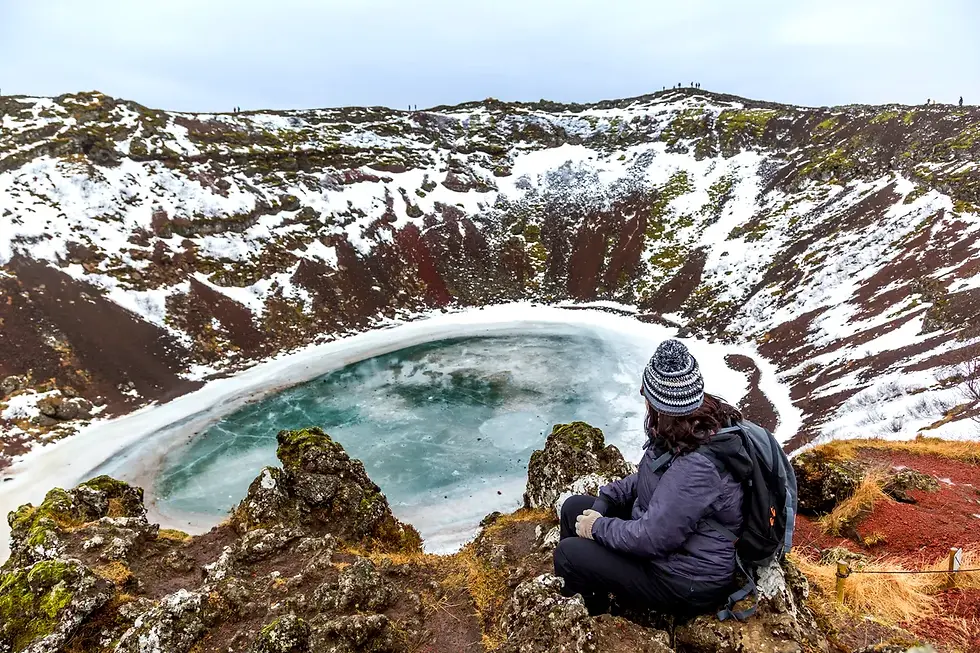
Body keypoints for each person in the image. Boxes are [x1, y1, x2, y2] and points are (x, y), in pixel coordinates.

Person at [553, 339, 750, 617]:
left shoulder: (698, 466)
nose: (642, 397)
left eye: (646, 392)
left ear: (661, 403)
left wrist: (598, 527)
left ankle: (592, 614)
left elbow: (654, 537)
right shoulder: (685, 430)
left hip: (685, 579)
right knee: (574, 507)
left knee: (568, 553)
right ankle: (586, 588)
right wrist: (609, 497)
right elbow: (654, 480)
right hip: (673, 549)